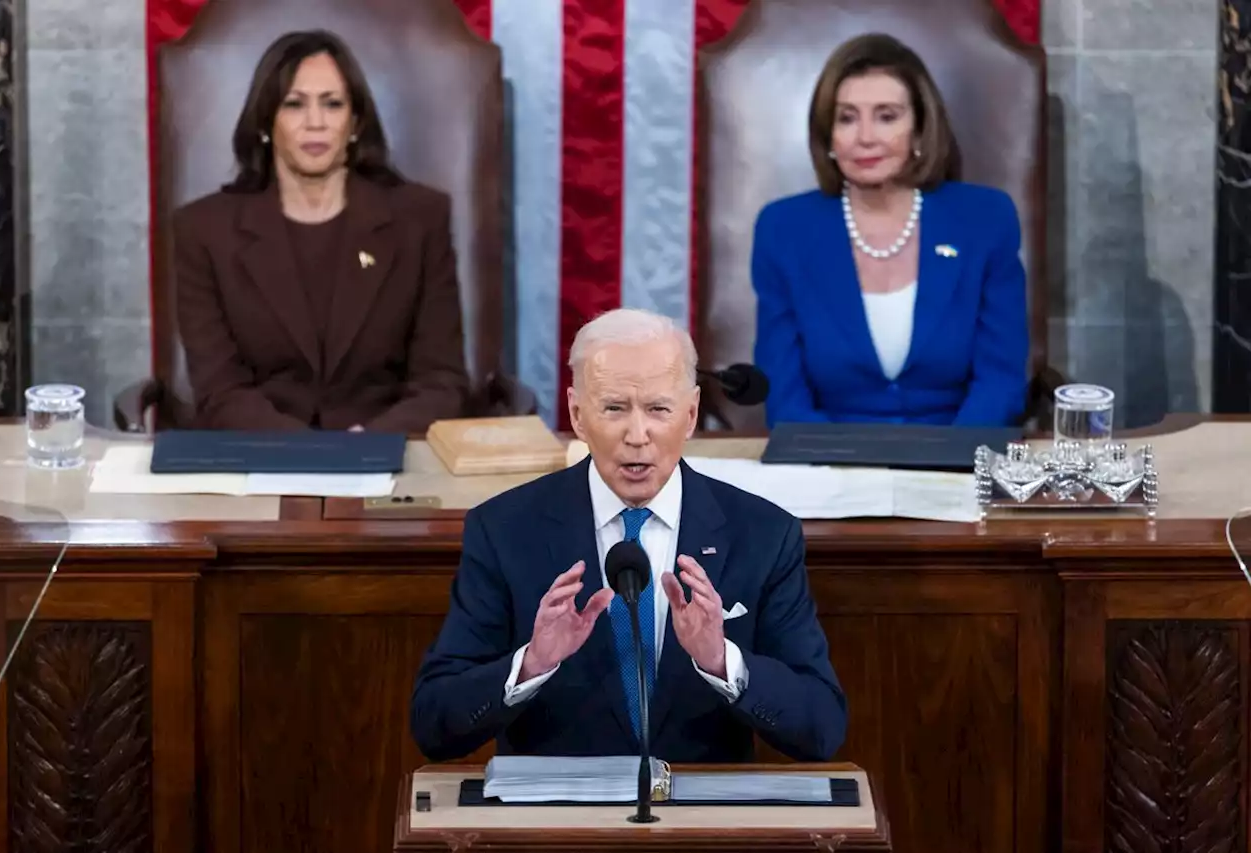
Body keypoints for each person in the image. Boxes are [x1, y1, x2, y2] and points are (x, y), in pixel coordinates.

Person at [410, 308, 847, 763]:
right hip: (557, 825)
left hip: (703, 823)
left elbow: (821, 728)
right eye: (614, 408)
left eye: (659, 409)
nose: (637, 435)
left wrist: (722, 660)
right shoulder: (504, 530)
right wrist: (531, 664)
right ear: (578, 415)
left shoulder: (762, 534)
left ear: (691, 413)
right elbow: (434, 725)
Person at [174, 30, 470, 432]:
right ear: (265, 122)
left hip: (389, 456)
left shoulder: (420, 219)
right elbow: (220, 390)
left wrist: (365, 444)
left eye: (332, 104)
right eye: (294, 105)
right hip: (260, 457)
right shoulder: (204, 230)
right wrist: (311, 454)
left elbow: (441, 381)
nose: (315, 123)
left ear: (354, 123)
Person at [751, 33, 1029, 428]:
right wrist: (833, 472)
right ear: (828, 136)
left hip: (956, 460)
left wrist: (945, 466)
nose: (866, 137)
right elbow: (783, 388)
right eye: (847, 118)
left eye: (887, 116)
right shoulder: (783, 230)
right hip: (827, 465)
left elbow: (1000, 379)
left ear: (919, 130)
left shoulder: (985, 220)